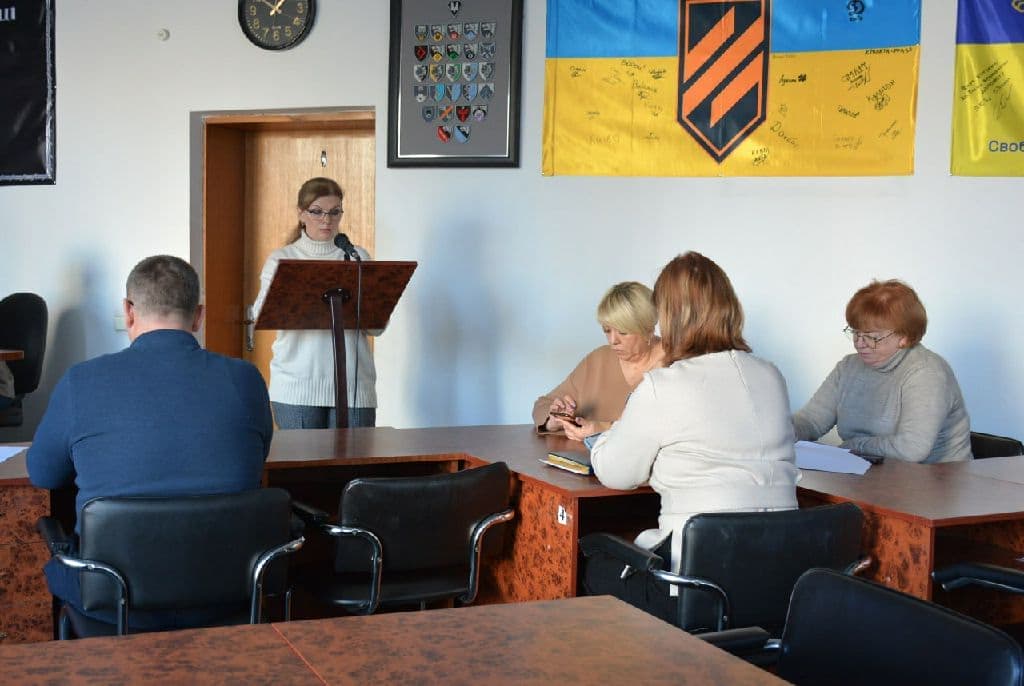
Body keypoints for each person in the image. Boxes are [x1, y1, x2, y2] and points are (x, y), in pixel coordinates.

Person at [27, 255, 273, 628]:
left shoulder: (82, 381)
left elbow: (43, 474)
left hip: (112, 601)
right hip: (227, 597)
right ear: (198, 316)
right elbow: (256, 460)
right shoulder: (246, 379)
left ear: (128, 311)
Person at [583, 252, 799, 622]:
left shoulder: (664, 385)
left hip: (698, 587)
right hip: (778, 580)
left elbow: (616, 473)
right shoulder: (771, 375)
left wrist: (607, 432)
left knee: (593, 564)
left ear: (668, 317)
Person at [793, 279, 972, 463]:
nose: (859, 343)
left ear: (904, 336)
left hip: (935, 476)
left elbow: (912, 449)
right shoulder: (848, 367)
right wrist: (782, 431)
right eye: (855, 332)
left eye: (871, 337)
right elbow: (811, 421)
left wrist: (852, 447)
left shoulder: (927, 373)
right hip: (871, 471)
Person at [253, 177, 378, 429]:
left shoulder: (357, 257)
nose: (326, 220)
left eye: (334, 212)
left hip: (354, 388)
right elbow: (260, 314)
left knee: (356, 457)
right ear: (301, 213)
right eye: (317, 212)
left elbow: (377, 327)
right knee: (303, 457)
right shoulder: (283, 259)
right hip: (296, 389)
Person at [532, 281, 664, 440]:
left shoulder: (675, 362)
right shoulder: (599, 360)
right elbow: (543, 404)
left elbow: (670, 429)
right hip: (582, 455)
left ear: (648, 329)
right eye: (607, 330)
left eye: (623, 332)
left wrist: (603, 429)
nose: (613, 340)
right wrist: (554, 421)